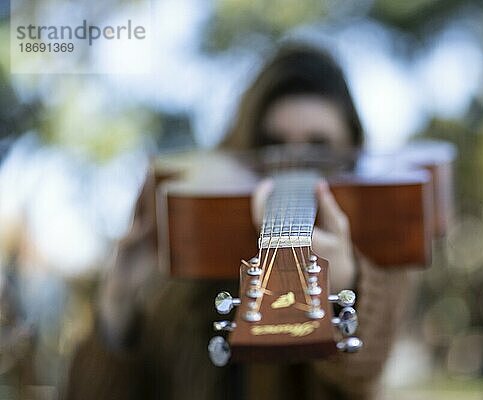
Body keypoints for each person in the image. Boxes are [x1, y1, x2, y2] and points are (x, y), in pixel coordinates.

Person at [65, 43, 415, 400]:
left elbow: (367, 369)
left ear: (352, 154)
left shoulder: (377, 248)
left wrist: (346, 288)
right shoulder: (186, 263)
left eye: (319, 147)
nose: (292, 165)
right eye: (271, 144)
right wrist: (118, 305)